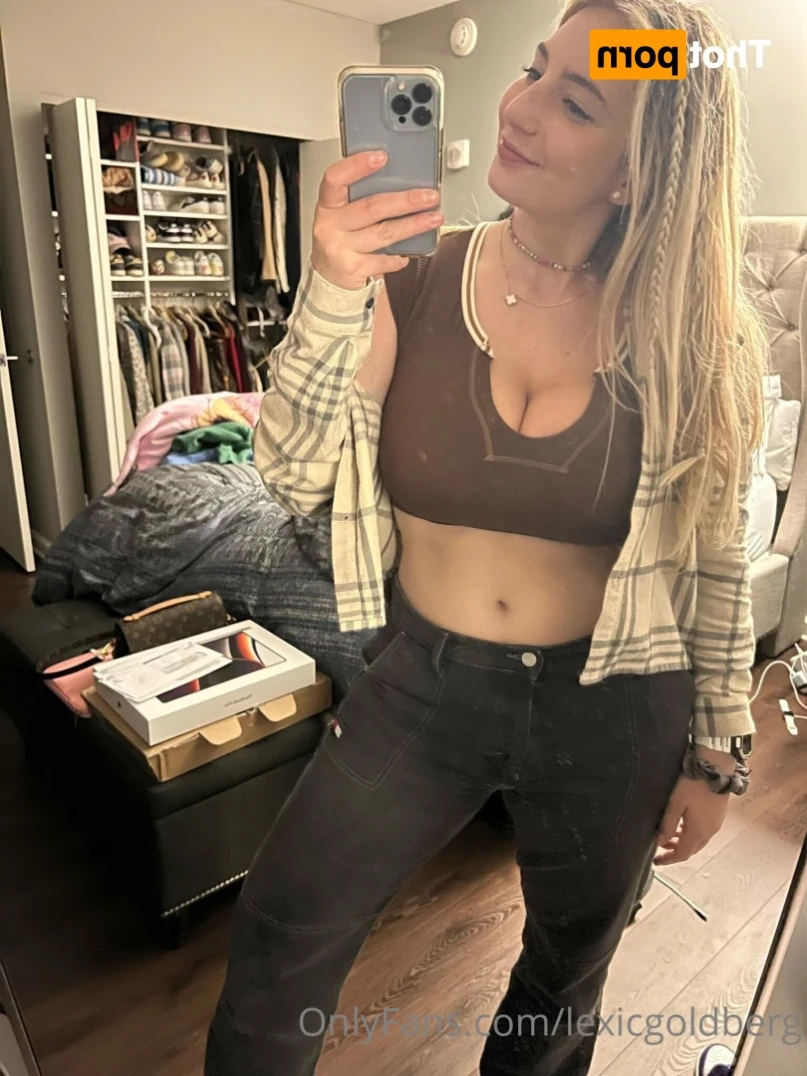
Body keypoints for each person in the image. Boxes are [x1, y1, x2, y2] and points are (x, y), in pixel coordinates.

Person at [205, 0, 768, 1073]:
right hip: (424, 683)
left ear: (637, 172)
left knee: (565, 973)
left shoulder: (694, 335)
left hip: (614, 705)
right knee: (282, 929)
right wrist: (332, 289)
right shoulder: (410, 277)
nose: (518, 107)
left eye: (576, 102)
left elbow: (715, 561)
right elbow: (290, 475)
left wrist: (717, 753)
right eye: (533, 67)